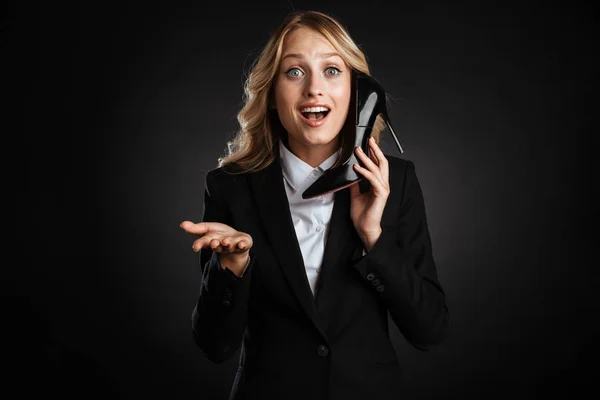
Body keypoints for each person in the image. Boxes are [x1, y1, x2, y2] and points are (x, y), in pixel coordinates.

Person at [180, 10, 449, 400]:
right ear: (272, 95)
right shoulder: (229, 188)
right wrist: (231, 267)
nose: (313, 90)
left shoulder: (395, 180)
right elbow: (214, 346)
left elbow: (431, 331)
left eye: (332, 71)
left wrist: (373, 237)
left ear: (359, 93)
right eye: (294, 72)